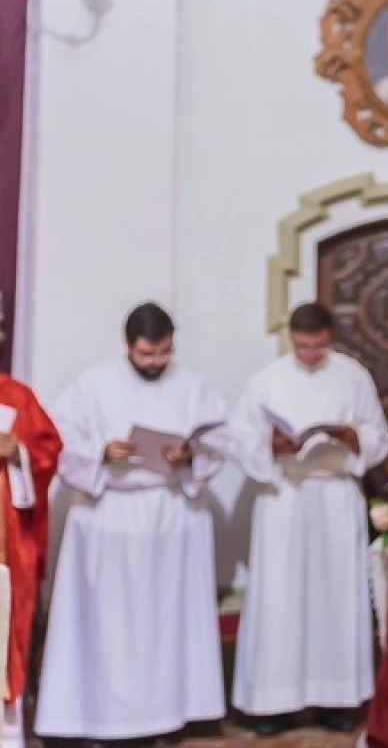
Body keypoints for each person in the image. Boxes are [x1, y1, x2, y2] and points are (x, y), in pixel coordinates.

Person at [35, 302, 229, 742]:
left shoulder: (192, 386)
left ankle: (169, 714)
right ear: (127, 345)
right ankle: (104, 718)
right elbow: (58, 441)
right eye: (147, 354)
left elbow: (219, 441)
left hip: (170, 515)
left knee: (166, 626)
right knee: (111, 629)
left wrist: (189, 456)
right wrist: (102, 452)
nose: (157, 362)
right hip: (110, 516)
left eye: (164, 352)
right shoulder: (92, 385)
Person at [229, 302, 388, 734]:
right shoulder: (266, 380)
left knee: (335, 597)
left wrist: (354, 437)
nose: (310, 354)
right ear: (291, 338)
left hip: (335, 494)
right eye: (302, 346)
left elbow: (379, 435)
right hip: (284, 494)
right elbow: (238, 437)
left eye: (318, 346)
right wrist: (271, 445)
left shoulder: (353, 376)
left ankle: (334, 700)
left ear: (330, 337)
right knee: (280, 598)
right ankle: (275, 704)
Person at [0, 373, 60, 748]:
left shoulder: (15, 396)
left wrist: (18, 452)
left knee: (6, 634)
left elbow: (48, 452)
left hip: (6, 546)